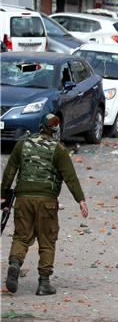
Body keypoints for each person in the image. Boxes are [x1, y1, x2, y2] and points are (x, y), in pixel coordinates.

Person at [2, 114, 89, 295]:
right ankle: (44, 283)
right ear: (56, 130)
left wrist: (2, 195)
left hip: (23, 200)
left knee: (21, 236)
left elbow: (9, 172)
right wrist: (80, 200)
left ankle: (15, 265)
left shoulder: (22, 145)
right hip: (47, 202)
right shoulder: (59, 150)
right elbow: (70, 177)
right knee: (47, 240)